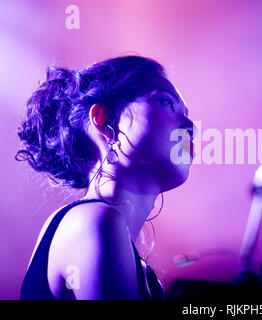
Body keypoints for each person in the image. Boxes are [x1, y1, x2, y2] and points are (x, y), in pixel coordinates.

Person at [15, 55, 196, 299]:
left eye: (187, 113)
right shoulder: (93, 221)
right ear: (103, 121)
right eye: (165, 102)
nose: (191, 126)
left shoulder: (146, 276)